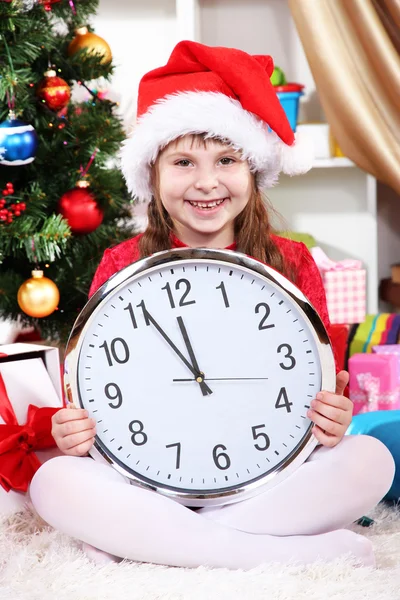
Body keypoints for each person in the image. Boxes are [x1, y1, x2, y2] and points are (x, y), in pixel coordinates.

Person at [30, 41, 395, 569]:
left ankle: (156, 544)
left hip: (265, 478)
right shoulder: (121, 262)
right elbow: (95, 384)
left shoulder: (292, 263)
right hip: (148, 479)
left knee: (369, 461)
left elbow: (322, 385)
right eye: (183, 161)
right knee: (54, 481)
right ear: (152, 174)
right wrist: (76, 431)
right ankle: (265, 553)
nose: (207, 182)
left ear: (254, 171)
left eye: (227, 160)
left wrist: (335, 419)